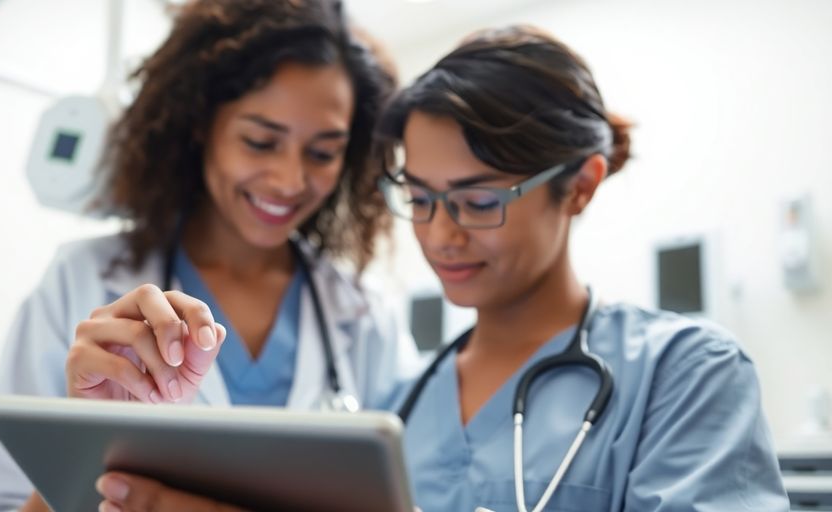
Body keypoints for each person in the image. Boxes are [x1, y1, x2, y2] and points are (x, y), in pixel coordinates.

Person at [86, 25, 789, 512]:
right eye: (420, 198)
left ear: (580, 186)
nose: (441, 234)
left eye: (479, 201)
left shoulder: (685, 375)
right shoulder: (397, 408)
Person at [0, 1, 417, 510]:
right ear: (201, 124)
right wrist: (83, 457)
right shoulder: (80, 281)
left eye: (323, 153)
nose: (290, 180)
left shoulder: (366, 316)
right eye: (260, 142)